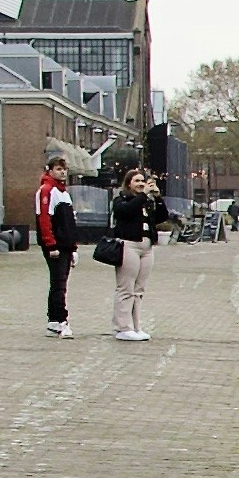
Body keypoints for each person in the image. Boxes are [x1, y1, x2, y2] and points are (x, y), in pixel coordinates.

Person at [108, 141, 161, 343]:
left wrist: (157, 197)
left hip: (146, 248)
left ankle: (136, 325)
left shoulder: (147, 201)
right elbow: (125, 212)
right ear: (129, 184)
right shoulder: (121, 199)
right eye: (137, 181)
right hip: (128, 245)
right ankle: (122, 326)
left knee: (139, 289)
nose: (140, 184)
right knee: (125, 287)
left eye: (143, 181)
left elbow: (161, 217)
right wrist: (143, 196)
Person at [34, 159, 76, 330]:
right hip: (56, 245)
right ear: (50, 170)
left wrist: (73, 247)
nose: (62, 173)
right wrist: (51, 245)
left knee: (61, 282)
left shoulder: (63, 193)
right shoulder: (46, 191)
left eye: (64, 169)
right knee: (58, 282)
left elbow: (70, 223)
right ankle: (58, 319)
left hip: (64, 244)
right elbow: (44, 219)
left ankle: (56, 319)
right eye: (59, 169)